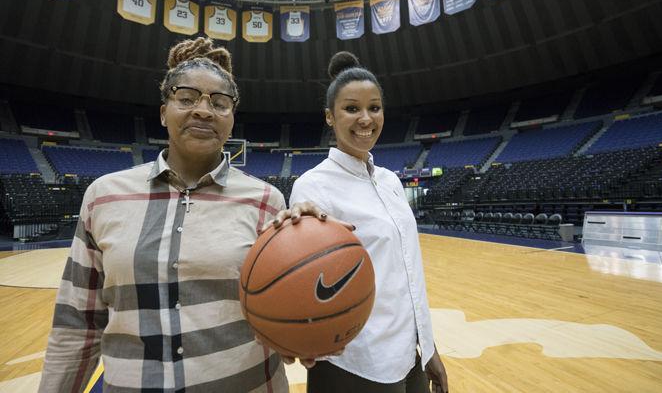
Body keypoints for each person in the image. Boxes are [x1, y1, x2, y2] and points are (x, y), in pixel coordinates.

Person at [37, 37, 332, 393]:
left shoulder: (266, 200)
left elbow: (289, 302)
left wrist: (313, 246)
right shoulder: (104, 195)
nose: (204, 111)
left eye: (219, 102)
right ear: (164, 111)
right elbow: (77, 324)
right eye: (187, 98)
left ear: (231, 118)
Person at [287, 51, 449, 393]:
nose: (365, 118)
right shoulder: (313, 187)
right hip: (355, 361)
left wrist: (429, 346)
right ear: (330, 117)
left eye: (374, 107)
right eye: (351, 108)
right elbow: (304, 282)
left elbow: (407, 274)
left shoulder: (390, 180)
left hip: (408, 355)